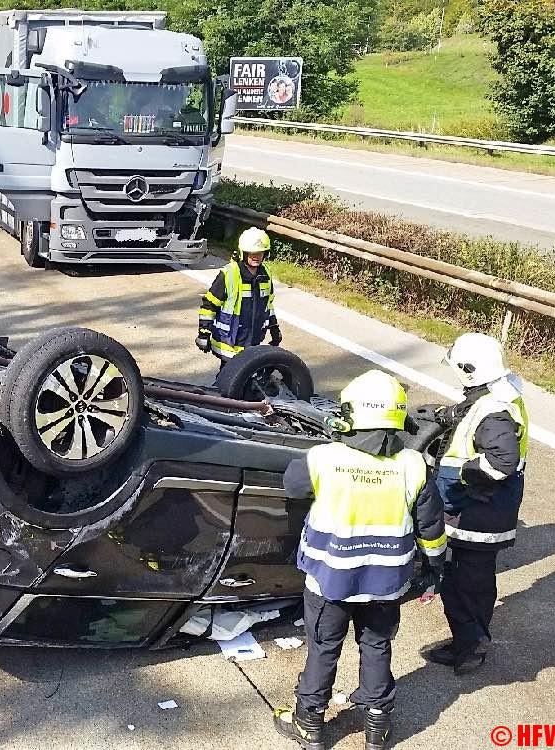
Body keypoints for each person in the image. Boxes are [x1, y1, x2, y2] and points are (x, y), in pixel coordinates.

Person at [273, 370, 446, 750]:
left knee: (323, 646)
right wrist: (435, 564)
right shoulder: (414, 465)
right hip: (386, 584)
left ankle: (309, 724)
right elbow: (430, 525)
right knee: (377, 646)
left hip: (329, 580)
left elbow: (292, 486)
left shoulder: (323, 458)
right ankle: (377, 729)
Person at [421, 333, 529, 675]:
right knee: (458, 581)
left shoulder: (494, 412)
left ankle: (472, 647)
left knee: (469, 584)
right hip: (477, 509)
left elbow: (500, 462)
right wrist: (447, 415)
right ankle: (464, 640)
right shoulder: (495, 393)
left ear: (469, 369)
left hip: (479, 513)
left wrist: (459, 476)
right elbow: (472, 412)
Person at [197, 227, 281, 362]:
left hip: (252, 341)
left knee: (248, 379)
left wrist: (274, 328)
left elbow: (268, 305)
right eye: (252, 253)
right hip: (229, 343)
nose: (256, 256)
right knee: (228, 380)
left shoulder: (265, 274)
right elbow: (209, 305)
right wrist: (203, 333)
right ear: (243, 253)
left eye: (260, 253)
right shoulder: (229, 274)